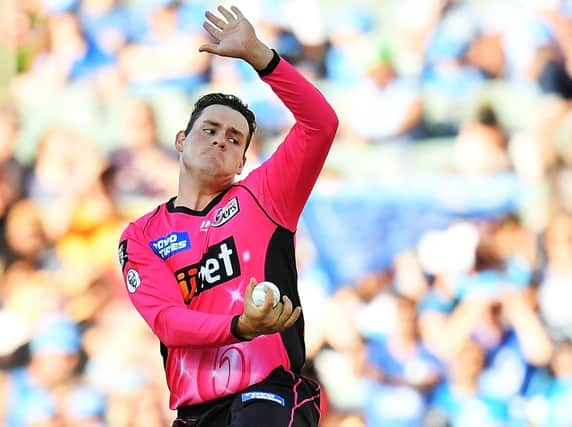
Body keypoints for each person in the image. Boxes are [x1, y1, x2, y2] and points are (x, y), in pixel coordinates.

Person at [117, 5, 338, 427]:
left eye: (234, 138)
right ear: (181, 141)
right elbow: (167, 321)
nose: (221, 140)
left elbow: (321, 125)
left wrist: (260, 56)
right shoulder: (142, 235)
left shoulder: (264, 195)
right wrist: (239, 325)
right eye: (210, 130)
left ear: (241, 161)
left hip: (269, 393)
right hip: (195, 412)